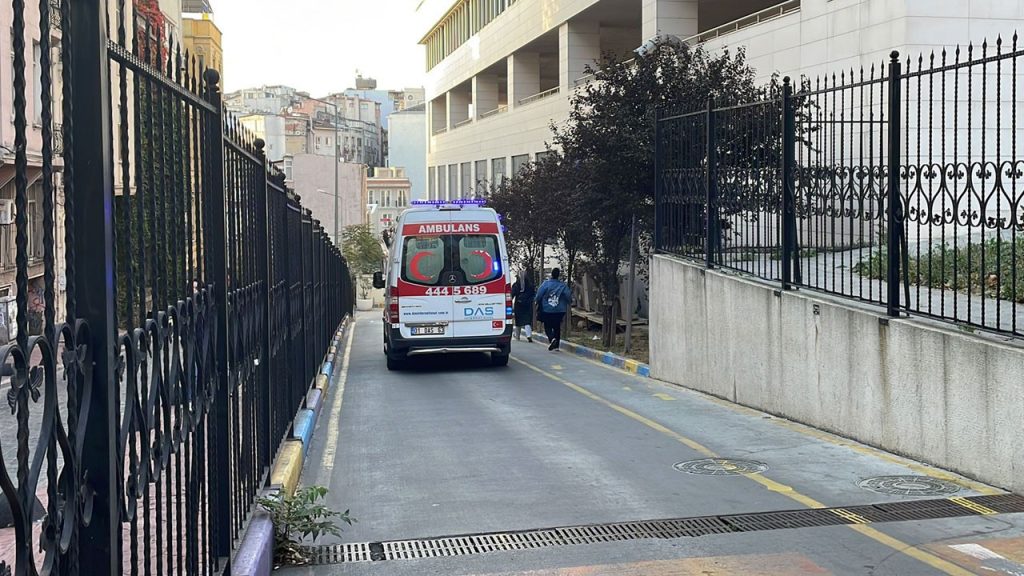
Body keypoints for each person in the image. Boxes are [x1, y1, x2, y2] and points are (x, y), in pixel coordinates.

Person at [535, 268, 571, 351]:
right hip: (560, 310)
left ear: (551, 274)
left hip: (547, 309)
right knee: (557, 326)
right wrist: (569, 302)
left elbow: (539, 295)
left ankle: (552, 339)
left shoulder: (546, 284)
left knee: (547, 325)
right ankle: (556, 346)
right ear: (558, 275)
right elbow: (568, 295)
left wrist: (537, 301)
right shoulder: (563, 285)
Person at [511, 269, 536, 342]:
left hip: (518, 305)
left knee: (518, 321)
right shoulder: (530, 285)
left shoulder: (516, 285)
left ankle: (517, 336)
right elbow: (533, 294)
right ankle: (529, 335)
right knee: (527, 321)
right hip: (528, 305)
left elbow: (512, 294)